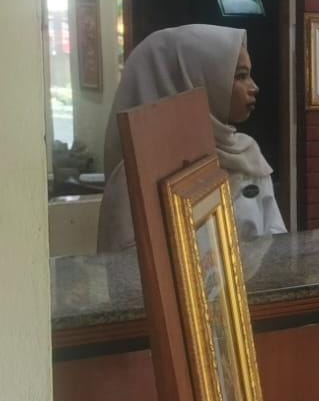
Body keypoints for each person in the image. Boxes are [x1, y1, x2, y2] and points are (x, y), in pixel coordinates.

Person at [97, 24, 286, 251]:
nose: (253, 87)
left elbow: (276, 237)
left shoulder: (245, 155)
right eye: (240, 76)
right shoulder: (137, 176)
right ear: (191, 82)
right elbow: (127, 265)